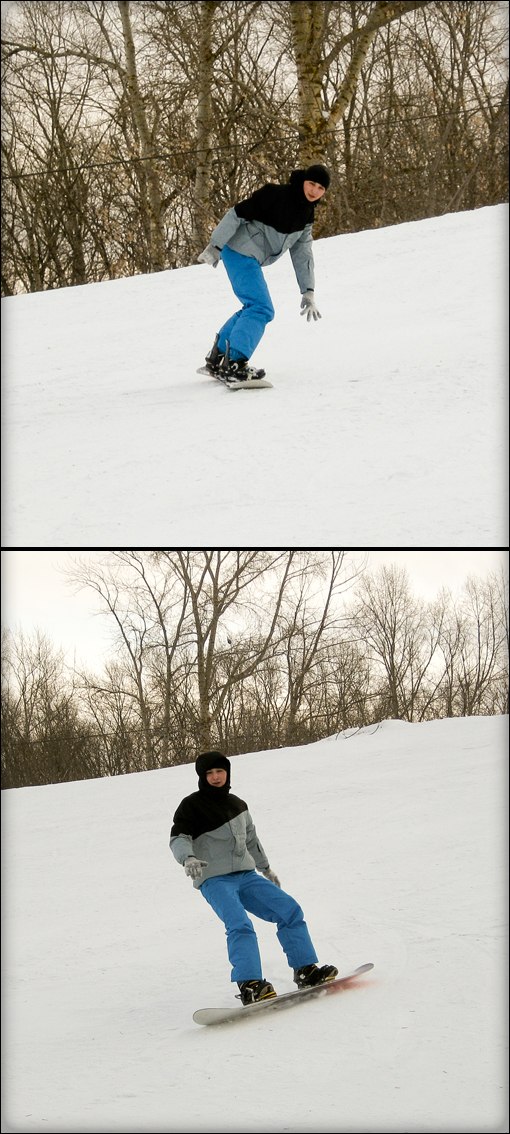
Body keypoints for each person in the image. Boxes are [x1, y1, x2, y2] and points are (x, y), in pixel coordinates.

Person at [170, 750, 337, 1004]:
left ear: (227, 773)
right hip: (215, 879)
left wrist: (265, 868)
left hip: (246, 875)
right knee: (239, 924)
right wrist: (188, 858)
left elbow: (251, 839)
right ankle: (249, 984)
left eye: (220, 771)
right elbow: (178, 837)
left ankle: (306, 970)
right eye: (210, 773)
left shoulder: (238, 804)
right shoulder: (191, 805)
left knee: (289, 910)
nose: (216, 777)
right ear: (202, 777)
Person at [197, 163, 331, 381]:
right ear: (303, 181)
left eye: (320, 188)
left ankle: (219, 356)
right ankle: (235, 363)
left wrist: (308, 290)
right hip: (238, 252)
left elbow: (303, 252)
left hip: (247, 256)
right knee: (261, 309)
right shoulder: (276, 195)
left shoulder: (306, 215)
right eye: (312, 184)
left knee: (254, 307)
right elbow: (237, 213)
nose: (314, 191)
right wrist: (215, 245)